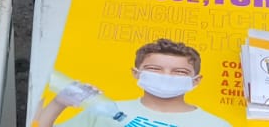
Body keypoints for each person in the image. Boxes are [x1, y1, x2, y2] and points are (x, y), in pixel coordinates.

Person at [35, 38, 232, 127]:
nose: (167, 76)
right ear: (136, 73)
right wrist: (58, 102)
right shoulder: (103, 111)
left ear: (196, 80)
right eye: (154, 69)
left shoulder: (216, 124)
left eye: (180, 72)